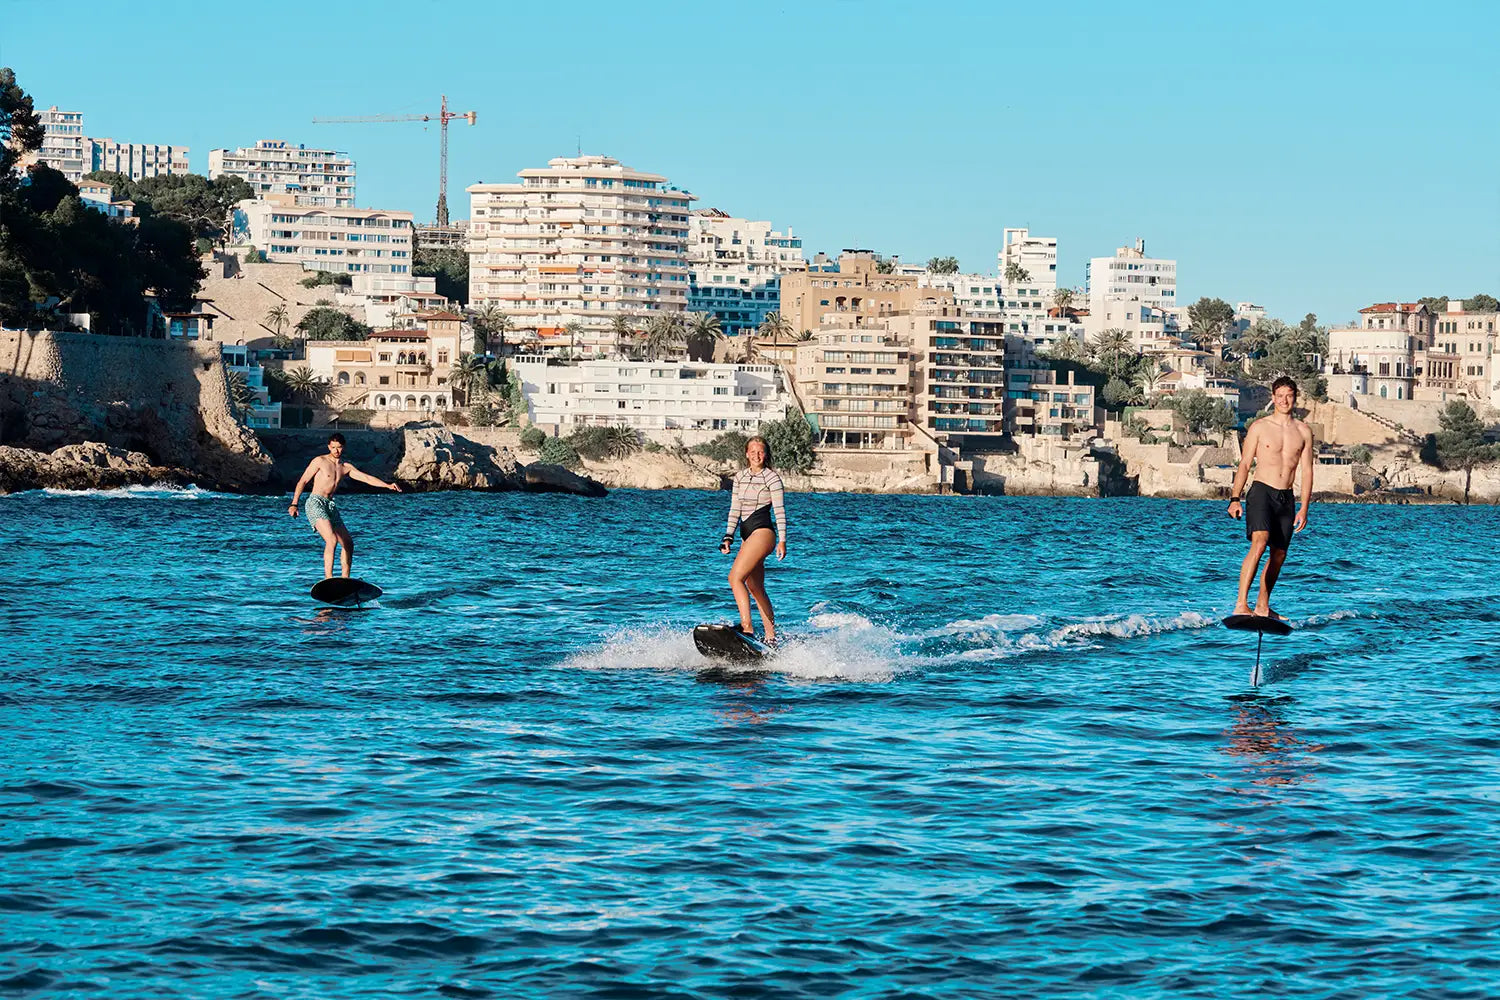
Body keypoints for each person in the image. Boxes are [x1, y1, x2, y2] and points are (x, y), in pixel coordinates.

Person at [1227, 376, 1313, 619]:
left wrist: (1304, 508)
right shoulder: (1259, 427)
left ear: (1295, 398)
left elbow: (1307, 472)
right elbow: (1244, 464)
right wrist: (1235, 498)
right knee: (1260, 542)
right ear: (1273, 398)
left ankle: (1263, 606)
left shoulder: (1304, 432)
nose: (1285, 400)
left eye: (1290, 395)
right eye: (1280, 395)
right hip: (1261, 491)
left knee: (1279, 554)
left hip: (1286, 498)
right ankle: (1241, 604)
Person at [287, 432, 402, 580]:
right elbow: (302, 481)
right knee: (332, 540)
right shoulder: (319, 461)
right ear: (329, 446)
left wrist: (386, 485)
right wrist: (294, 504)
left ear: (343, 447)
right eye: (333, 447)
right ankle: (328, 579)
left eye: (339, 447)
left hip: (330, 505)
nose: (336, 450)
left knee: (348, 543)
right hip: (315, 502)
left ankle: (345, 580)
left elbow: (366, 478)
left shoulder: (345, 467)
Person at [720, 436, 787, 643]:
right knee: (755, 588)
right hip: (745, 535)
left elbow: (779, 511)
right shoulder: (739, 477)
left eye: (761, 451)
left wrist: (782, 540)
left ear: (765, 455)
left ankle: (747, 627)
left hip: (763, 533)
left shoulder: (772, 478)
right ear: (746, 454)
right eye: (753, 451)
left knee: (734, 578)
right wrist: (728, 536)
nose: (757, 455)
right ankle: (771, 638)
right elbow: (735, 509)